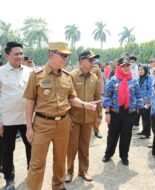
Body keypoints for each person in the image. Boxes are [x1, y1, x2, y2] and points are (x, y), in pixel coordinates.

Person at [23, 42, 97, 190]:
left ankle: (58, 185)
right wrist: (29, 128)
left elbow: (71, 98)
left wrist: (84, 104)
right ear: (52, 54)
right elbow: (30, 102)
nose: (66, 59)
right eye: (63, 55)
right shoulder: (37, 75)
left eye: (67, 56)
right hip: (43, 123)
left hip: (63, 123)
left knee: (60, 159)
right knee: (37, 163)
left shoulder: (67, 76)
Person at [65, 50, 102, 183]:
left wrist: (99, 115)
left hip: (89, 119)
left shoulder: (94, 77)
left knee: (85, 146)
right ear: (81, 61)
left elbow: (98, 97)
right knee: (71, 147)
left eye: (94, 60)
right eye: (90, 60)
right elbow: (67, 98)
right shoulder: (71, 76)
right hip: (74, 119)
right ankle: (69, 171)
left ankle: (83, 171)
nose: (93, 63)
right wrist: (67, 118)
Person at [0, 41, 32, 190]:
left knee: (31, 146)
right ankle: (9, 179)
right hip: (7, 120)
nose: (20, 56)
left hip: (27, 119)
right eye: (16, 54)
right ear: (8, 56)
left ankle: (32, 173)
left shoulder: (29, 71)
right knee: (7, 150)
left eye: (21, 53)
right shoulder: (0, 73)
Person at [102, 57, 142, 165]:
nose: (126, 68)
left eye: (128, 65)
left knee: (126, 135)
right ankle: (108, 154)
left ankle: (124, 156)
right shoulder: (113, 80)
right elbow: (107, 97)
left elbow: (139, 96)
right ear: (119, 67)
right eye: (123, 66)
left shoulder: (134, 81)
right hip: (115, 112)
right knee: (112, 135)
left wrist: (138, 106)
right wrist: (107, 113)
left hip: (129, 113)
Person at [137, 64, 153, 139]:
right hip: (141, 101)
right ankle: (144, 130)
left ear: (146, 70)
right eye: (139, 69)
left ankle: (147, 133)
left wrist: (148, 101)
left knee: (147, 117)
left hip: (147, 101)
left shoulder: (149, 77)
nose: (140, 71)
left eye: (142, 69)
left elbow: (150, 89)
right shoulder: (140, 78)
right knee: (143, 116)